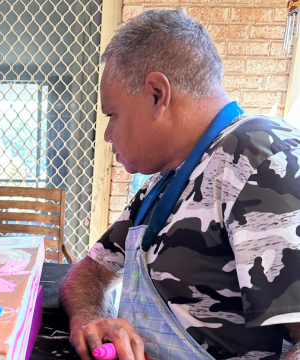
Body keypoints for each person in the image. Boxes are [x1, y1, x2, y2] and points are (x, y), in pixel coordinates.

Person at [59, 8, 300, 360]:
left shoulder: (259, 160)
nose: (108, 134)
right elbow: (90, 272)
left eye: (112, 114)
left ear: (157, 94)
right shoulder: (164, 182)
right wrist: (90, 320)